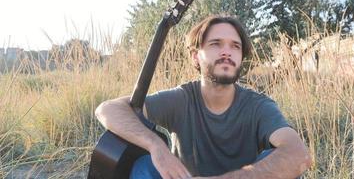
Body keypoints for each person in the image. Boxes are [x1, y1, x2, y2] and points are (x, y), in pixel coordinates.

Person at [95, 15, 312, 179]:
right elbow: (108, 109)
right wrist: (156, 147)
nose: (227, 52)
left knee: (280, 162)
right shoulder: (181, 99)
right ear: (195, 56)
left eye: (235, 46)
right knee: (143, 167)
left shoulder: (259, 106)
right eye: (216, 44)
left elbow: (298, 153)